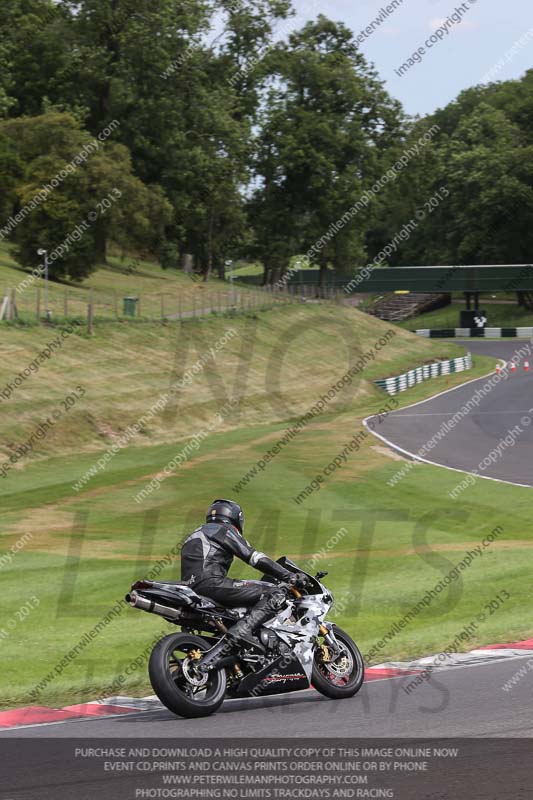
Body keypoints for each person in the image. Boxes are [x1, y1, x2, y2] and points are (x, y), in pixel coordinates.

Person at [181, 499, 305, 651]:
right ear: (235, 517)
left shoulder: (195, 534)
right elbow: (254, 557)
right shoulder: (222, 529)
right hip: (211, 584)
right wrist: (288, 575)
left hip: (191, 588)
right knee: (275, 592)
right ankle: (243, 630)